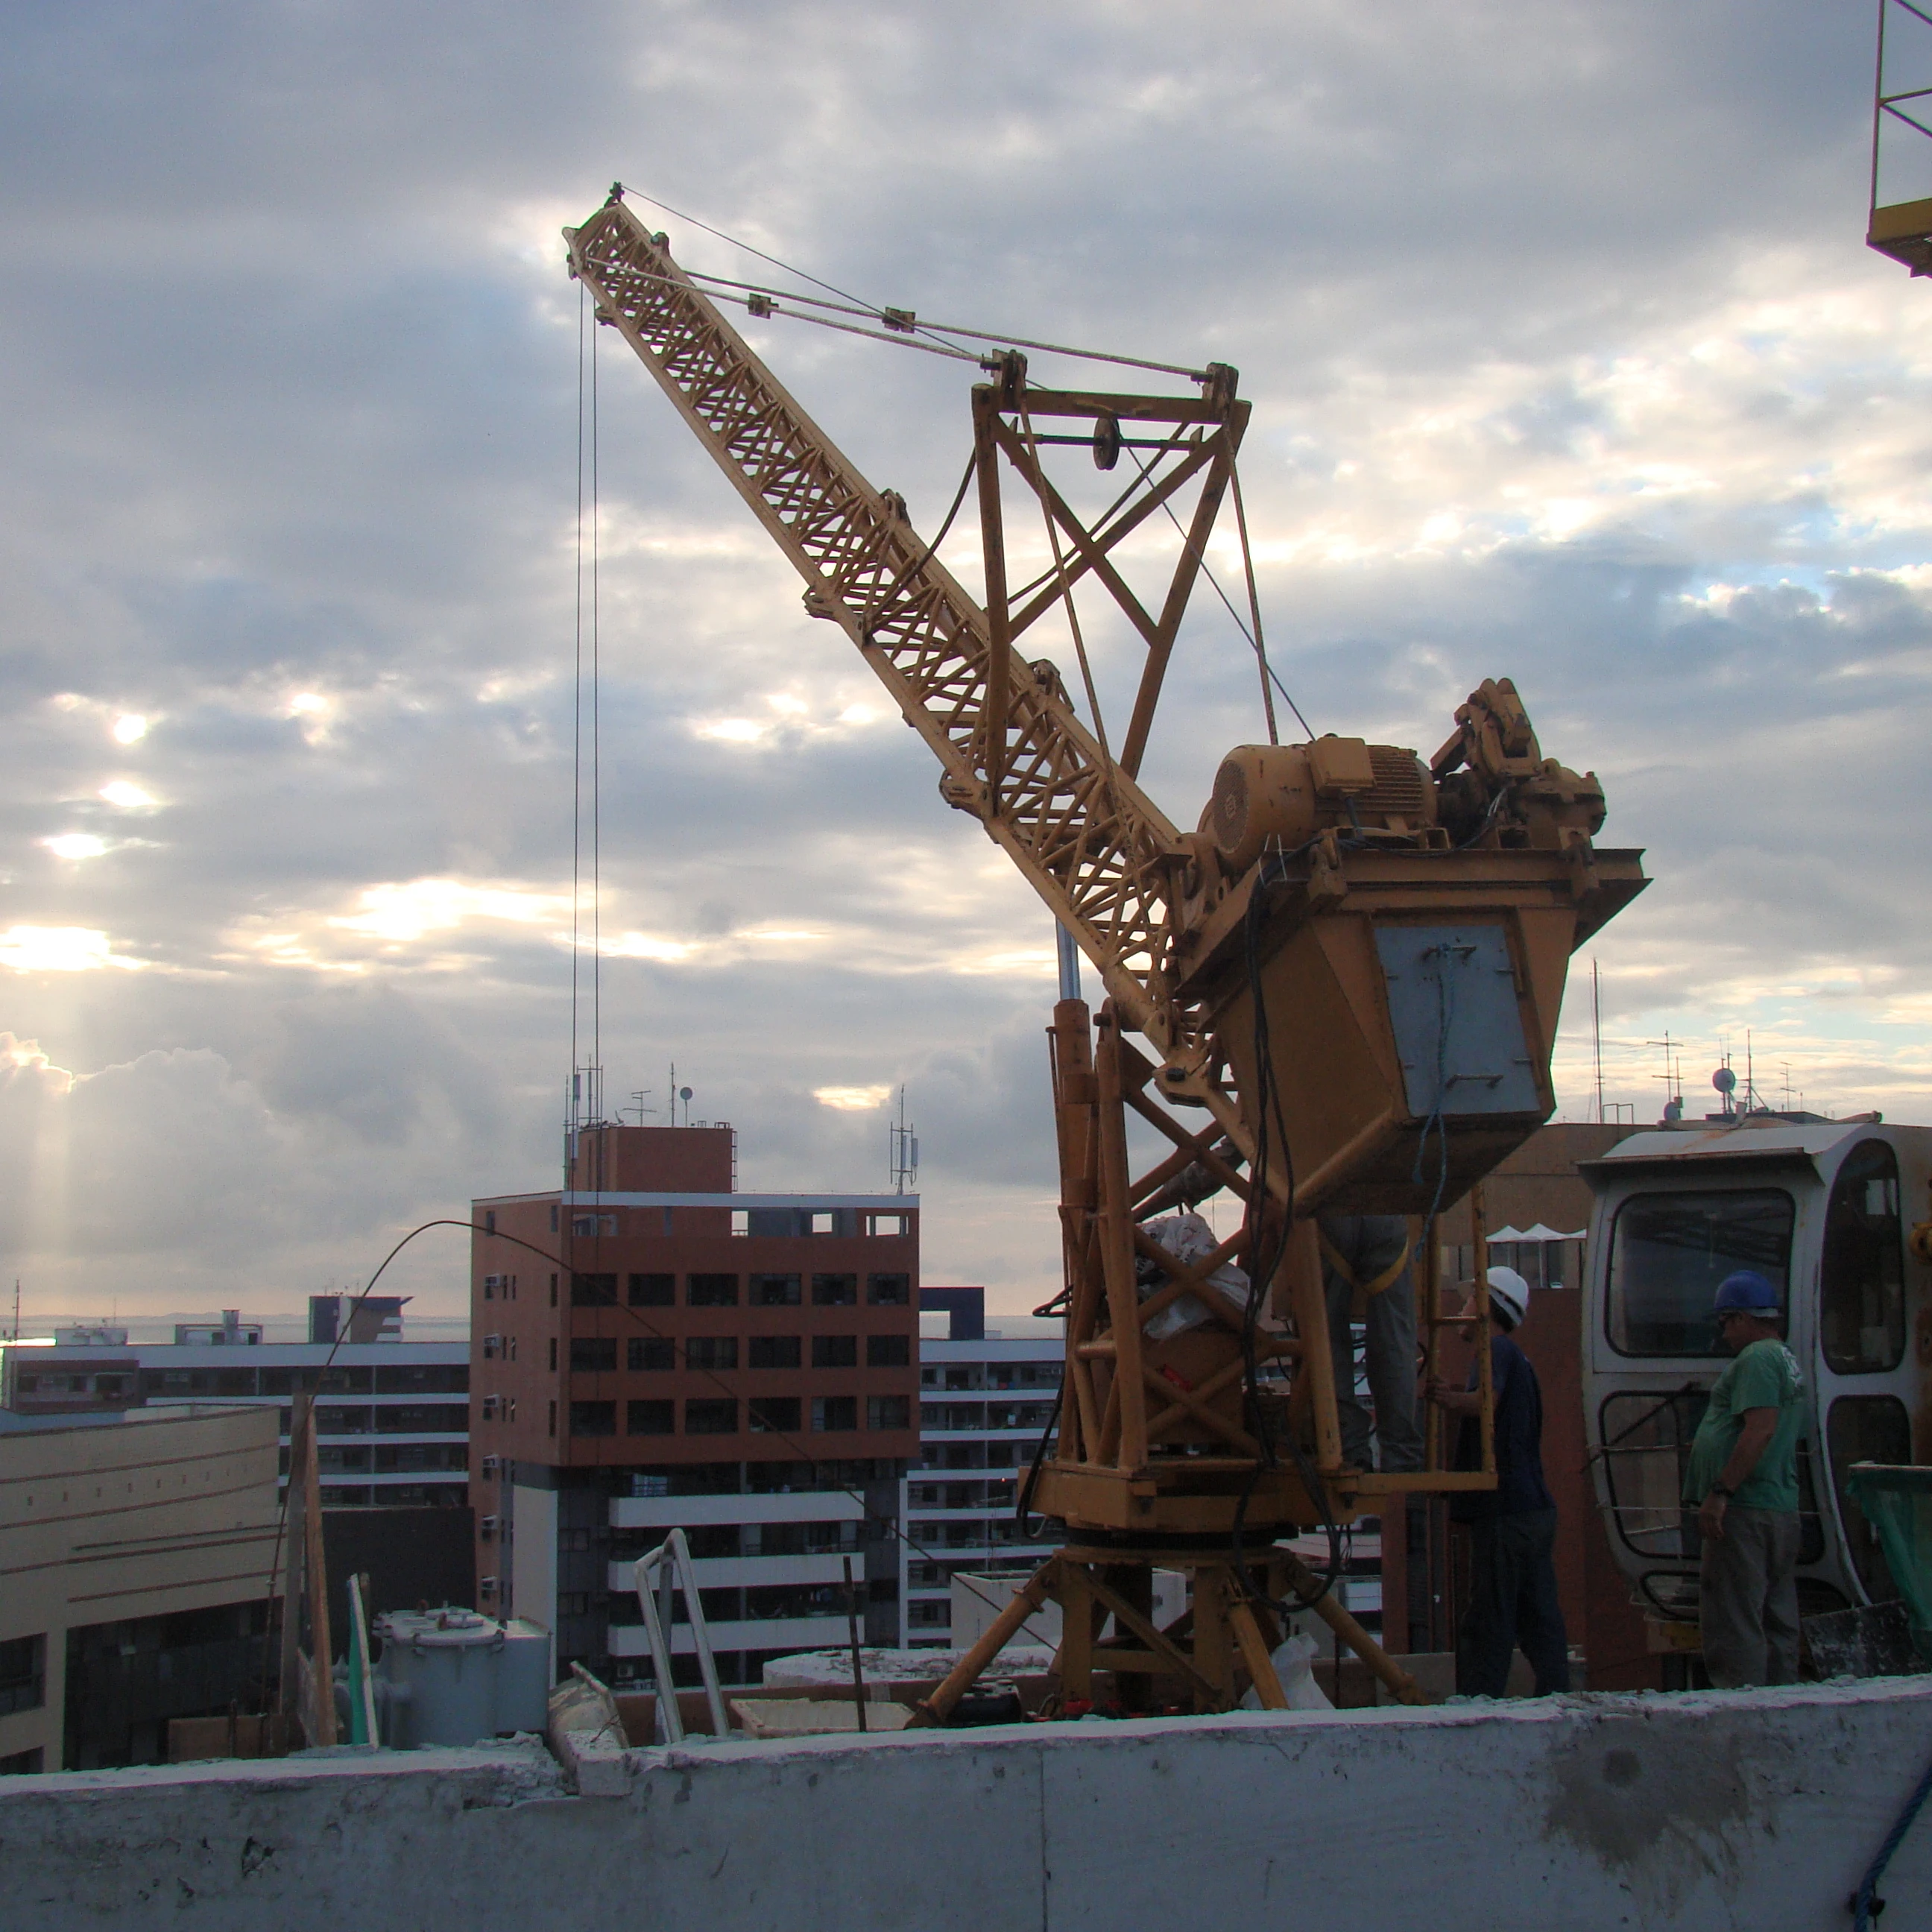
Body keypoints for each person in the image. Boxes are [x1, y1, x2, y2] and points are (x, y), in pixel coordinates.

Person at [1428, 1265, 1570, 1698]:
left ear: (1488, 1308)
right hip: (1531, 1511)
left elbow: (1487, 1402)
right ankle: (1558, 1696)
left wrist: (1447, 1399)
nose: (1462, 1308)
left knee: (1490, 1617)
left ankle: (1478, 1704)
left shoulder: (1497, 1351)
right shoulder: (1514, 1358)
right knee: (1536, 1615)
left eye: (1470, 1300)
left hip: (1506, 1513)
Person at [1682, 1269, 1805, 1688]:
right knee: (1776, 1619)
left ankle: (1742, 1713)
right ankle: (1782, 1706)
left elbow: (1760, 1429)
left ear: (1740, 1318)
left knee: (1735, 1621)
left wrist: (1720, 1492)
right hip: (1776, 1508)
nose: (1724, 1335)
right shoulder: (1783, 1357)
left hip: (1746, 1511)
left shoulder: (1756, 1359)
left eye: (1725, 1324)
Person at [1319, 1213, 1423, 1474]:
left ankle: (1350, 1449)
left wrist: (1198, 1188)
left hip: (1327, 1206)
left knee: (1326, 1334)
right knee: (1395, 1338)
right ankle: (1401, 1455)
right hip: (1387, 1210)